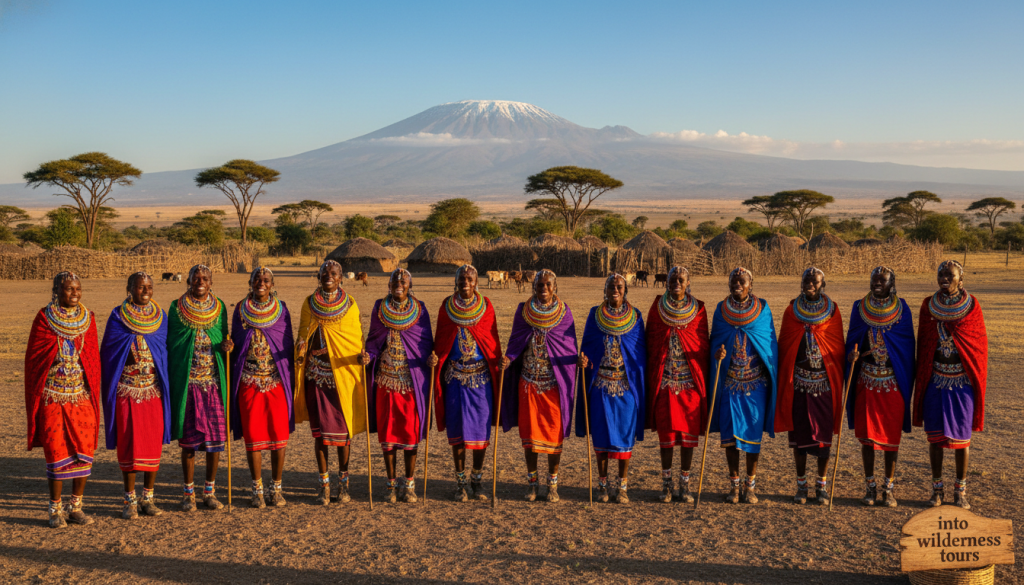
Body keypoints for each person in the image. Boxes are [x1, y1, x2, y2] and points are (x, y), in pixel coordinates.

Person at [25, 272, 101, 528]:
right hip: (53, 396)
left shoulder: (88, 319)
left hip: (80, 396)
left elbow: (92, 359)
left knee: (84, 451)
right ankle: (55, 508)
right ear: (56, 290)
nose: (74, 293)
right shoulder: (44, 319)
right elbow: (35, 359)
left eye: (77, 288)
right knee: (56, 451)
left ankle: (75, 507)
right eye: (69, 289)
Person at [913, 260, 988, 510]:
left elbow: (977, 345)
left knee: (961, 439)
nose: (944, 278)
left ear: (961, 279)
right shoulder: (928, 306)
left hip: (961, 382)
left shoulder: (972, 306)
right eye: (941, 274)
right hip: (935, 379)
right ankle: (937, 490)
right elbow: (924, 344)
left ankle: (960, 491)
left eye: (950, 275)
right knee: (935, 438)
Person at [500, 270, 578, 503]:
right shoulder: (523, 311)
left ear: (555, 287)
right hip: (529, 383)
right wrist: (508, 359)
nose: (543, 288)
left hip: (553, 384)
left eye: (547, 284)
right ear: (533, 286)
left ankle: (552, 485)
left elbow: (568, 347)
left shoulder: (564, 313)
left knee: (554, 437)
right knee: (530, 437)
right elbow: (516, 342)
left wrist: (578, 362)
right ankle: (532, 483)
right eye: (539, 284)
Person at [427, 265, 502, 502]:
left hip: (480, 380)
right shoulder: (446, 306)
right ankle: (460, 484)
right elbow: (441, 339)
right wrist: (436, 357)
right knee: (457, 432)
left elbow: (491, 340)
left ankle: (476, 482)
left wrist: (499, 362)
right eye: (462, 279)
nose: (465, 282)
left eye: (470, 279)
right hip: (455, 379)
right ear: (456, 281)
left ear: (476, 282)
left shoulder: (486, 306)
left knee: (480, 433)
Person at [100, 271, 171, 520]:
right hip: (127, 391)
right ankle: (129, 499)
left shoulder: (161, 317)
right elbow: (109, 351)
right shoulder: (117, 316)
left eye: (149, 287)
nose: (145, 291)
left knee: (152, 445)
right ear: (129, 289)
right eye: (140, 287)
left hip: (152, 390)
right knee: (129, 445)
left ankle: (148, 498)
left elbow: (164, 349)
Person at [295, 260, 366, 505]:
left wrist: (360, 357)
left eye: (333, 273)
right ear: (319, 276)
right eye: (324, 272)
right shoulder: (309, 303)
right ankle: (324, 486)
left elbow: (355, 339)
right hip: (316, 377)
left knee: (343, 434)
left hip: (342, 378)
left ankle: (343, 485)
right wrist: (301, 347)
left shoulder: (351, 304)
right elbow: (303, 334)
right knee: (321, 435)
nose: (328, 276)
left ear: (340, 278)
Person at [361, 269, 433, 503]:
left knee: (410, 434)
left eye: (403, 281)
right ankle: (391, 484)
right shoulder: (379, 308)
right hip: (386, 381)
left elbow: (425, 343)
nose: (399, 284)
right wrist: (368, 356)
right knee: (388, 434)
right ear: (388, 285)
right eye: (395, 281)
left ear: (410, 285)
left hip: (411, 382)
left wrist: (431, 358)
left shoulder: (421, 310)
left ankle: (409, 484)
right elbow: (373, 341)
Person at [845, 266, 915, 508]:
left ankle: (888, 489)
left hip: (892, 383)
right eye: (874, 280)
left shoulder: (902, 309)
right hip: (866, 381)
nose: (877, 283)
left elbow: (906, 347)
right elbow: (852, 339)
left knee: (890, 439)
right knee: (867, 438)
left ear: (891, 283)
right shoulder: (859, 307)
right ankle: (870, 487)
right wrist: (852, 355)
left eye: (882, 280)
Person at [775, 267, 845, 505]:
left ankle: (821, 486)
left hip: (823, 384)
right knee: (800, 439)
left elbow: (836, 346)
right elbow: (785, 345)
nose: (810, 285)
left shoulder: (833, 311)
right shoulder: (791, 311)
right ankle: (802, 485)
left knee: (824, 439)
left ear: (822, 284)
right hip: (799, 384)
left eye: (815, 282)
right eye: (806, 281)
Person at [709, 267, 778, 504]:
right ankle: (734, 485)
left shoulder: (763, 309)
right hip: (730, 384)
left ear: (751, 284)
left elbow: (769, 345)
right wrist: (717, 354)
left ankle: (750, 487)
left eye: (742, 281)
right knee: (730, 438)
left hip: (755, 384)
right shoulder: (721, 310)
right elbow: (715, 341)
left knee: (752, 438)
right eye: (734, 281)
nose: (737, 285)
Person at [577, 273, 646, 504]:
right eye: (611, 286)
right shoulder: (594, 315)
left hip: (625, 387)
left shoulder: (636, 317)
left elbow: (639, 353)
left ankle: (622, 487)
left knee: (625, 437)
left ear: (625, 290)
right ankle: (602, 485)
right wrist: (584, 360)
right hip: (601, 386)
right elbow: (587, 346)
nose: (615, 290)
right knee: (601, 436)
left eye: (619, 287)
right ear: (604, 290)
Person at [168, 264, 232, 512]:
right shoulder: (176, 308)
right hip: (189, 385)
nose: (200, 282)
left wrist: (226, 346)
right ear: (189, 281)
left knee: (215, 441)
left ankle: (209, 492)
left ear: (211, 282)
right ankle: (188, 493)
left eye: (205, 278)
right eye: (196, 278)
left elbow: (223, 336)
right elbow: (173, 343)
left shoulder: (220, 307)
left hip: (213, 384)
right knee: (189, 443)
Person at [230, 267, 295, 509]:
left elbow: (286, 342)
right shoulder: (240, 309)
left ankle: (276, 488)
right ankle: (257, 489)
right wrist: (230, 346)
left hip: (275, 381)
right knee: (253, 436)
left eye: (266, 280)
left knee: (279, 436)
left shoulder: (282, 309)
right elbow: (236, 340)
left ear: (272, 284)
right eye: (257, 279)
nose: (261, 283)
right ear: (250, 282)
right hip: (249, 382)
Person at [645, 266, 710, 503]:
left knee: (688, 438)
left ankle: (685, 485)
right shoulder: (657, 308)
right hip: (665, 382)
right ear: (666, 282)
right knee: (667, 437)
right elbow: (650, 342)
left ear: (688, 282)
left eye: (681, 280)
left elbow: (702, 346)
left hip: (689, 384)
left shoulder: (699, 310)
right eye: (673, 279)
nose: (677, 283)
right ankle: (666, 484)